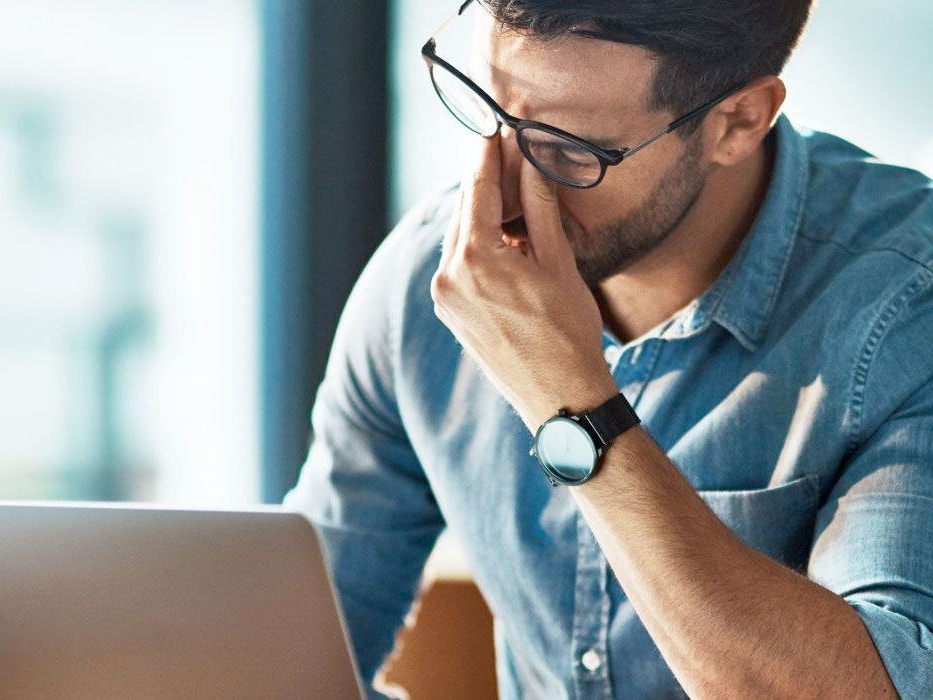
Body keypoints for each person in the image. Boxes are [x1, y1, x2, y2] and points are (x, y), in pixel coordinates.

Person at [284, 0, 933, 696]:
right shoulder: (428, 281)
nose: (496, 186)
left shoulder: (903, 309)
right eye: (485, 106)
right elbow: (293, 651)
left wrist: (569, 403)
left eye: (566, 150)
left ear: (738, 121)